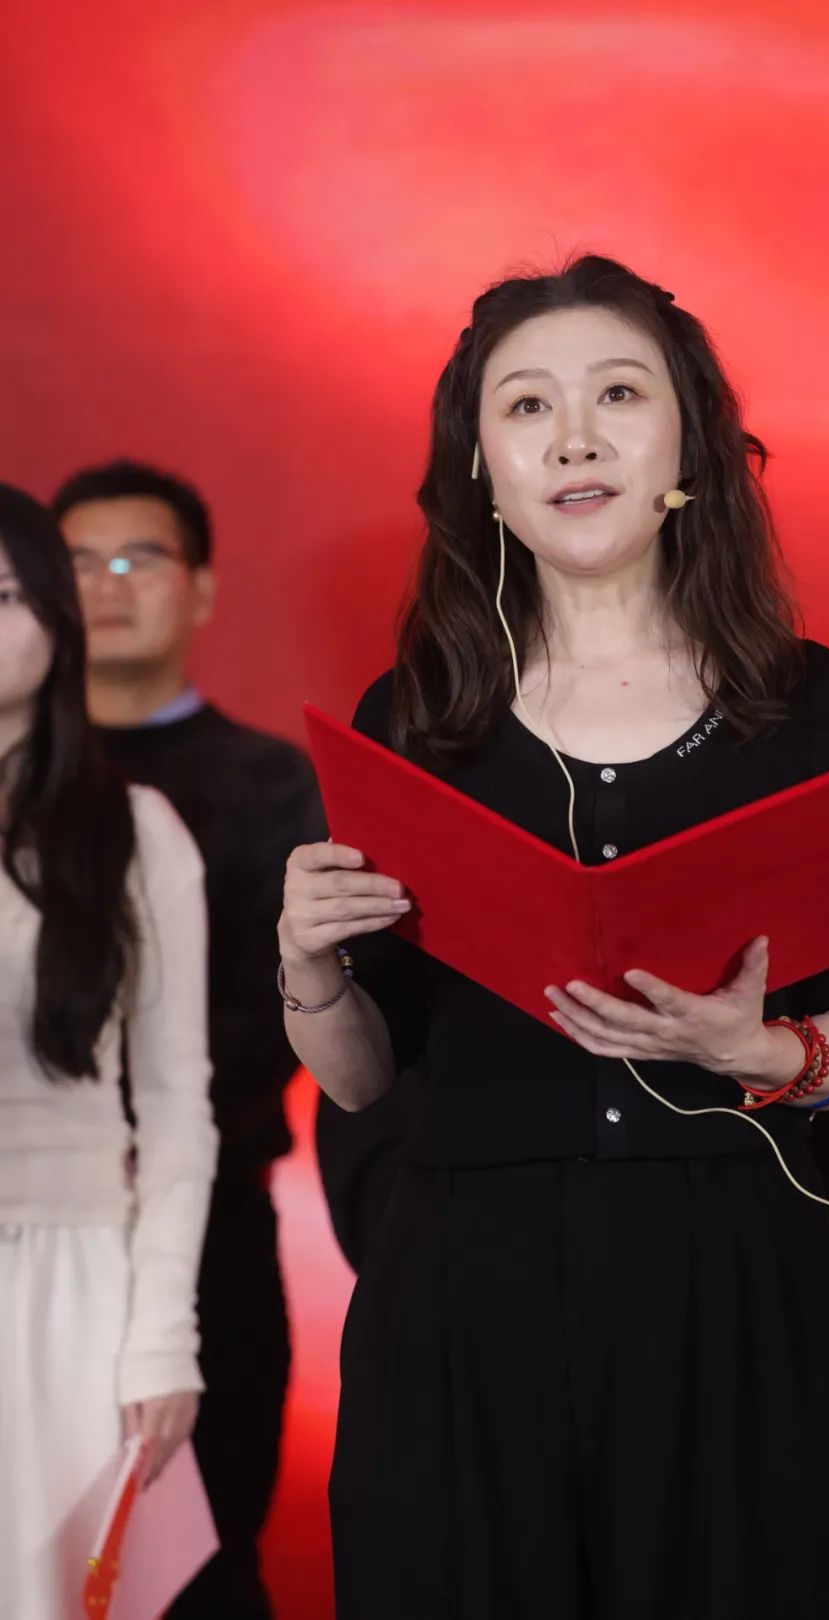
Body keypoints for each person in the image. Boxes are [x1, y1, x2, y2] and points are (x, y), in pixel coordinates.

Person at [280, 255, 829, 1620]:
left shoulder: (806, 704)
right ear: (482, 469)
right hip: (467, 1290)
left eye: (619, 395)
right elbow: (364, 1079)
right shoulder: (418, 715)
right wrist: (308, 965)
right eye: (527, 407)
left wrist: (766, 1050)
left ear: (689, 438)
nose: (574, 438)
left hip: (729, 1280)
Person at [52, 460, 325, 1620]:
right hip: (29, 1224)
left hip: (208, 1226)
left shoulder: (269, 782)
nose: (105, 586)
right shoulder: (15, 779)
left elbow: (283, 1008)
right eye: (75, 563)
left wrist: (117, 1127)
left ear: (202, 589)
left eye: (139, 559)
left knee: (199, 1567)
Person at [0, 484, 216, 1620]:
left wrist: (160, 1336)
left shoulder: (137, 835)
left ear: (55, 617)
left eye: (1, 596)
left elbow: (177, 1105)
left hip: (70, 1290)